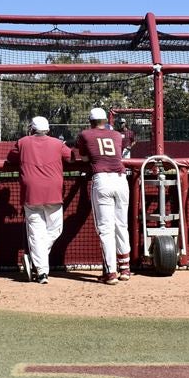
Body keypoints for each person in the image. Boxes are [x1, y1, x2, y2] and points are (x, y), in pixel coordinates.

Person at [5, 116, 70, 284]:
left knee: (36, 234)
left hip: (31, 193)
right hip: (53, 192)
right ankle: (41, 272)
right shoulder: (57, 143)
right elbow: (70, 157)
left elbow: (11, 158)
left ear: (31, 129)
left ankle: (38, 264)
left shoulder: (22, 142)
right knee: (54, 230)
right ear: (48, 130)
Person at [74, 106, 131, 284]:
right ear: (106, 121)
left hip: (102, 180)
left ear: (90, 121)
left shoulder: (85, 134)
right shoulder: (116, 135)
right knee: (121, 225)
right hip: (121, 179)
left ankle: (110, 273)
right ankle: (125, 269)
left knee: (106, 229)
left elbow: (84, 158)